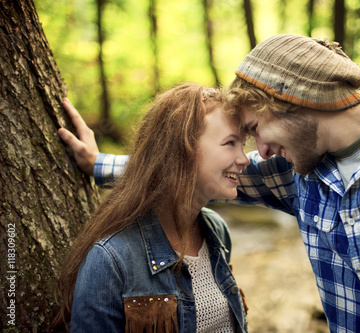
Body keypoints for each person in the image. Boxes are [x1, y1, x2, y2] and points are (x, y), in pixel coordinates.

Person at [58, 34, 360, 332]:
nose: (258, 152)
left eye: (253, 129)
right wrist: (98, 163)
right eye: (242, 139)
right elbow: (184, 168)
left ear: (289, 99)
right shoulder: (296, 169)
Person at [53, 83, 250, 332]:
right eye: (230, 143)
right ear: (182, 150)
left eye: (242, 145)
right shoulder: (110, 259)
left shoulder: (216, 231)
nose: (244, 159)